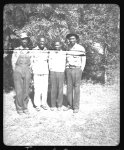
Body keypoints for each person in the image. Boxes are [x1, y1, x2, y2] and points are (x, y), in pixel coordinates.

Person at [64, 33, 86, 113]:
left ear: (76, 39)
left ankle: (76, 107)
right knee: (69, 88)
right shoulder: (67, 47)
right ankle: (69, 105)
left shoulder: (81, 48)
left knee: (76, 88)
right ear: (68, 40)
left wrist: (81, 70)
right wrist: (66, 68)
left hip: (77, 69)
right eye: (70, 39)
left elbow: (83, 60)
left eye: (73, 38)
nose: (71, 40)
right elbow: (66, 59)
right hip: (69, 69)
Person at [12, 33, 32, 115]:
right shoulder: (16, 50)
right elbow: (13, 62)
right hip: (18, 69)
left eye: (26, 39)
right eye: (23, 39)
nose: (24, 41)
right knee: (19, 89)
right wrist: (16, 71)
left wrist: (30, 71)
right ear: (21, 40)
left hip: (27, 69)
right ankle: (19, 107)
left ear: (27, 41)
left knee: (26, 89)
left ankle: (25, 107)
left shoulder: (30, 50)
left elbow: (32, 62)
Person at [30, 37, 49, 111]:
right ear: (38, 42)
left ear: (45, 42)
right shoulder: (34, 50)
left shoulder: (47, 50)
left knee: (45, 89)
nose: (42, 43)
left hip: (45, 72)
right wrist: (32, 71)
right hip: (37, 72)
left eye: (43, 41)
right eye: (41, 41)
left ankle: (43, 104)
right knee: (37, 89)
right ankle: (37, 105)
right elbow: (31, 62)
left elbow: (48, 62)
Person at [49, 41, 66, 111]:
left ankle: (59, 105)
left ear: (61, 45)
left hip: (61, 72)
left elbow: (65, 62)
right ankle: (52, 105)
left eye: (58, 45)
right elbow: (49, 62)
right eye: (55, 45)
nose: (56, 47)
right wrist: (51, 69)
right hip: (53, 72)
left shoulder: (64, 53)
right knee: (53, 88)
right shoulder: (51, 53)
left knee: (60, 89)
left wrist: (63, 70)